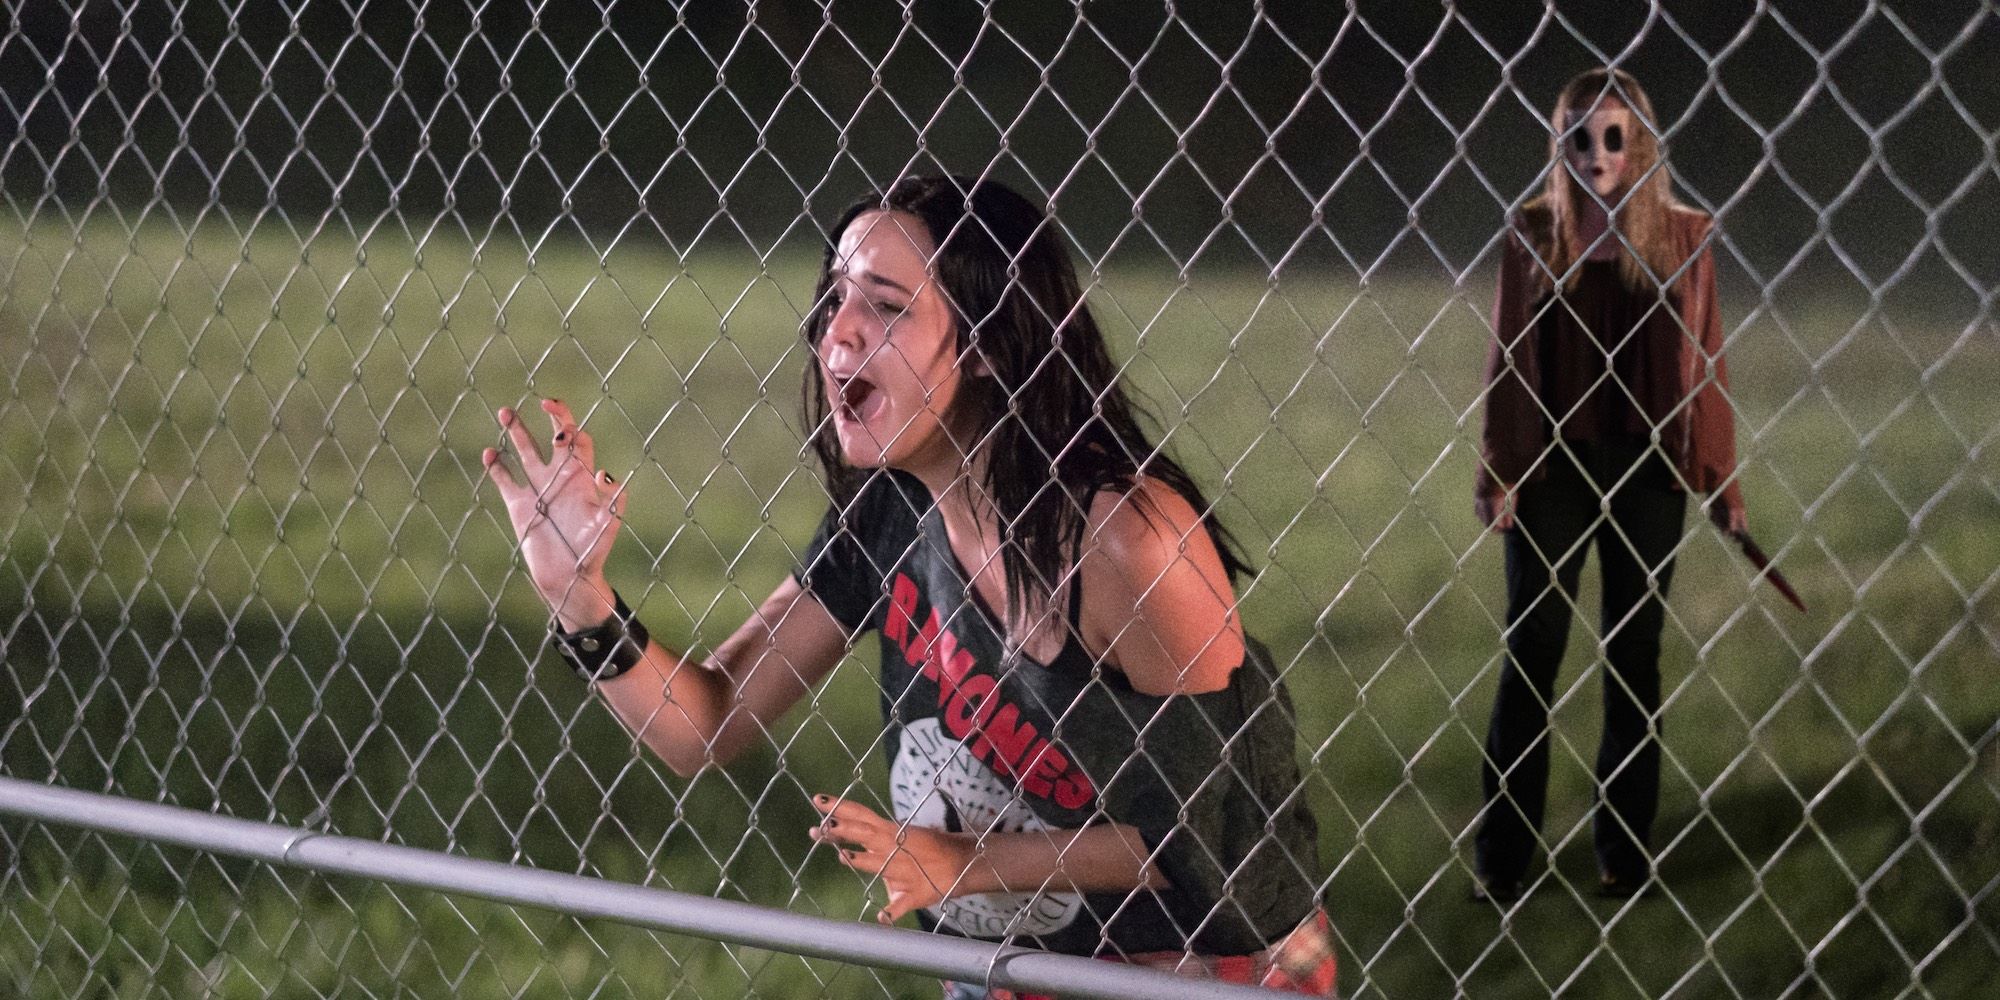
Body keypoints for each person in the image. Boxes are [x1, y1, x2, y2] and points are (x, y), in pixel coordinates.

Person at [483, 175, 1335, 995]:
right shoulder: (892, 508)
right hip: (1011, 967)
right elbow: (704, 724)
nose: (837, 336)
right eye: (835, 300)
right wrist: (579, 598)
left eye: (886, 307)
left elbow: (1207, 830)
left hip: (1204, 972)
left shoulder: (1125, 540)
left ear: (992, 345)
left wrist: (967, 865)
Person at [1471, 69, 1746, 904]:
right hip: (1552, 470)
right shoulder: (1532, 234)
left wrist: (1723, 481)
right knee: (1534, 652)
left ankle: (1623, 855)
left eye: (1614, 136)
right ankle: (1504, 861)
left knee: (1634, 659)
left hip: (1649, 473)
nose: (1596, 152)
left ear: (1641, 145)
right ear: (1561, 146)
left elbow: (1709, 362)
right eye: (1579, 137)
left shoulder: (1687, 236)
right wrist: (1497, 470)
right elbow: (1507, 354)